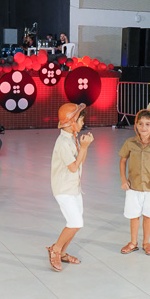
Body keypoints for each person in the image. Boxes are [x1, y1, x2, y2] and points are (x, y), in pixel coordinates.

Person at [47, 103, 93, 272]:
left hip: (73, 187)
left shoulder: (72, 137)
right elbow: (73, 167)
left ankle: (62, 253)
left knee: (77, 223)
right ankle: (56, 249)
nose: (83, 123)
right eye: (81, 120)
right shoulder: (63, 143)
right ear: (72, 122)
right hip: (64, 189)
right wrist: (85, 147)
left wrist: (84, 147)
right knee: (75, 222)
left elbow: (80, 161)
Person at [119, 109, 150, 256]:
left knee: (148, 215)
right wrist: (123, 179)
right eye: (140, 124)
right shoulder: (130, 143)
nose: (144, 127)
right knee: (133, 215)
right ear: (136, 125)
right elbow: (122, 160)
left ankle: (146, 243)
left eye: (148, 124)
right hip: (133, 187)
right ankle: (133, 242)